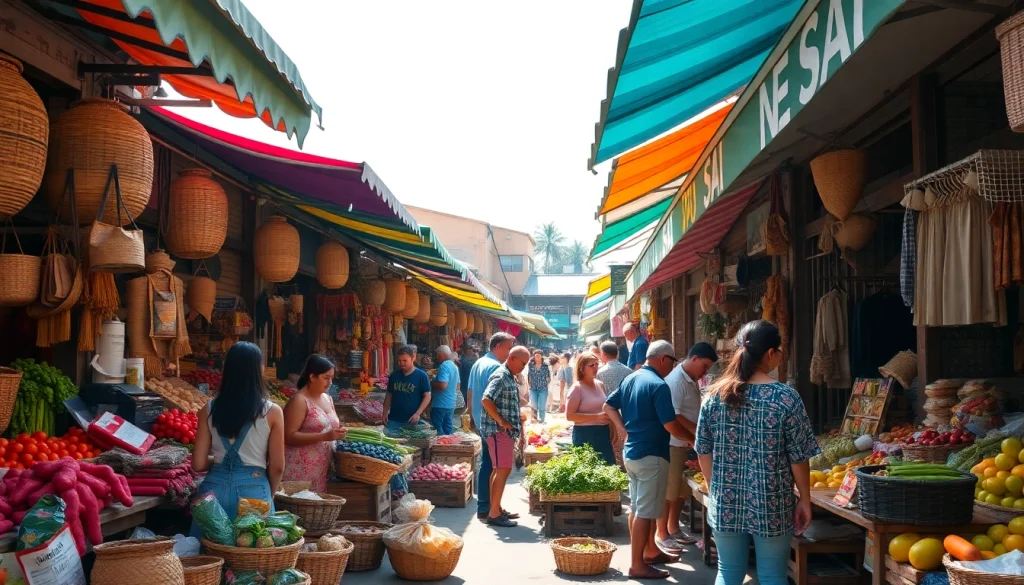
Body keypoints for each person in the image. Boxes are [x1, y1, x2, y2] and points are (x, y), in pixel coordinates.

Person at [694, 320, 819, 585]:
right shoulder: (785, 398)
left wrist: (714, 486)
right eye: (780, 350)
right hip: (772, 501)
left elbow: (703, 450)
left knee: (728, 573)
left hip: (725, 499)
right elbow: (799, 456)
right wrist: (805, 499)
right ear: (771, 354)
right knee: (773, 576)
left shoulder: (714, 396)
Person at [603, 340, 689, 580]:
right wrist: (692, 439)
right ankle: (637, 564)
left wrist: (623, 430)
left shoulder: (631, 378)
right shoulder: (659, 385)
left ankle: (649, 552)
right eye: (672, 362)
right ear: (663, 359)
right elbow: (670, 424)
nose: (672, 367)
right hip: (651, 454)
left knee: (640, 508)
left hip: (633, 453)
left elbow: (608, 406)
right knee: (643, 511)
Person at [191, 342, 285, 537]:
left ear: (228, 370)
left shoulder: (208, 409)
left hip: (213, 492)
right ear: (258, 369)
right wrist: (270, 493)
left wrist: (221, 463)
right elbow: (277, 466)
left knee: (208, 560)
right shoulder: (272, 412)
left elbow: (198, 464)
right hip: (254, 490)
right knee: (250, 559)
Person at [656, 342, 719, 552]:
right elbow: (673, 415)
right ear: (694, 359)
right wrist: (698, 432)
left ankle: (673, 528)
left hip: (686, 442)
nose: (706, 370)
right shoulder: (675, 381)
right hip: (674, 442)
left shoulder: (691, 378)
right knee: (669, 490)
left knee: (682, 490)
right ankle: (662, 533)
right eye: (705, 365)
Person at [468, 332, 517, 521]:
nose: (510, 352)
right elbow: (490, 398)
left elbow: (471, 390)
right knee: (493, 465)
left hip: (482, 419)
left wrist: (471, 414)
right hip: (493, 424)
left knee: (489, 464)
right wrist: (502, 421)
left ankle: (491, 507)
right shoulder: (496, 367)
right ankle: (487, 508)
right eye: (508, 347)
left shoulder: (479, 363)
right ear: (497, 347)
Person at [480, 345, 530, 528]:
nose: (523, 367)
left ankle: (497, 508)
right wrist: (501, 421)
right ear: (513, 358)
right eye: (522, 363)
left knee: (498, 470)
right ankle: (493, 514)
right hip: (497, 431)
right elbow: (486, 399)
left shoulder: (508, 375)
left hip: (502, 432)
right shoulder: (501, 375)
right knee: (502, 470)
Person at [282, 354, 346, 492]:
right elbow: (288, 436)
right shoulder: (299, 400)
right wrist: (323, 437)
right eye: (326, 378)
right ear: (312, 377)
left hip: (322, 471)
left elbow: (330, 428)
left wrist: (338, 433)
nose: (330, 382)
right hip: (299, 472)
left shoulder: (328, 399)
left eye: (332, 378)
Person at [565, 353, 615, 465]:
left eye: (597, 364)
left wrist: (612, 427)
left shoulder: (600, 384)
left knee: (607, 467)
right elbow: (569, 416)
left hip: (603, 432)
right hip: (585, 434)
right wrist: (596, 417)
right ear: (582, 368)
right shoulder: (577, 388)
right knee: (588, 469)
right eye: (591, 365)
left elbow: (606, 408)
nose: (595, 368)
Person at [597, 340, 634, 467]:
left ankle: (617, 470)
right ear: (617, 354)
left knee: (613, 444)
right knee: (626, 443)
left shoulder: (600, 373)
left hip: (608, 414)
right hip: (627, 413)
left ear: (602, 354)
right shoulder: (629, 372)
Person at [383, 345, 432, 431]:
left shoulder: (421, 376)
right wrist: (385, 412)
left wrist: (418, 413)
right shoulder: (394, 375)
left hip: (412, 420)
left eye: (405, 360)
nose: (401, 363)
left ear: (413, 359)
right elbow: (389, 395)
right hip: (393, 419)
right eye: (399, 360)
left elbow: (427, 396)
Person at [431, 345, 459, 435]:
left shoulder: (444, 366)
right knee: (448, 429)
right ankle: (449, 447)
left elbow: (443, 385)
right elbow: (458, 386)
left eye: (438, 355)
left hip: (440, 403)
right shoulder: (454, 366)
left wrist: (430, 382)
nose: (437, 357)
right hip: (451, 403)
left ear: (441, 354)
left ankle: (441, 448)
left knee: (438, 430)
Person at [527, 350, 552, 422]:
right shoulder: (530, 365)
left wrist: (545, 384)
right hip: (533, 388)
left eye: (538, 355)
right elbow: (529, 376)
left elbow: (549, 377)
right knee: (534, 405)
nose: (537, 356)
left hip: (543, 389)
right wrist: (529, 385)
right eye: (535, 355)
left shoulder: (546, 366)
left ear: (541, 356)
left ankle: (542, 420)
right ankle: (534, 419)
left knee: (542, 405)